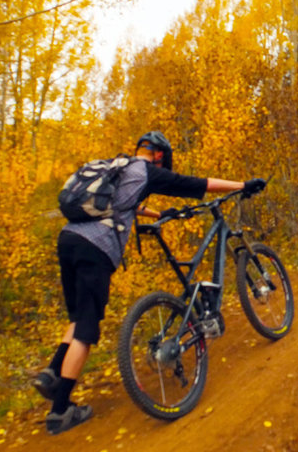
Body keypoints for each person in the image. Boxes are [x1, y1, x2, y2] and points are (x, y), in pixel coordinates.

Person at [32, 131, 266, 435]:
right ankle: (60, 411)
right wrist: (243, 185)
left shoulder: (115, 164)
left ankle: (52, 374)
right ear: (159, 155)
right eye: (163, 162)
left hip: (69, 239)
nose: (163, 167)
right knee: (87, 331)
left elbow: (124, 204)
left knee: (78, 318)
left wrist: (160, 213)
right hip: (96, 247)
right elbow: (197, 184)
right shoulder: (146, 170)